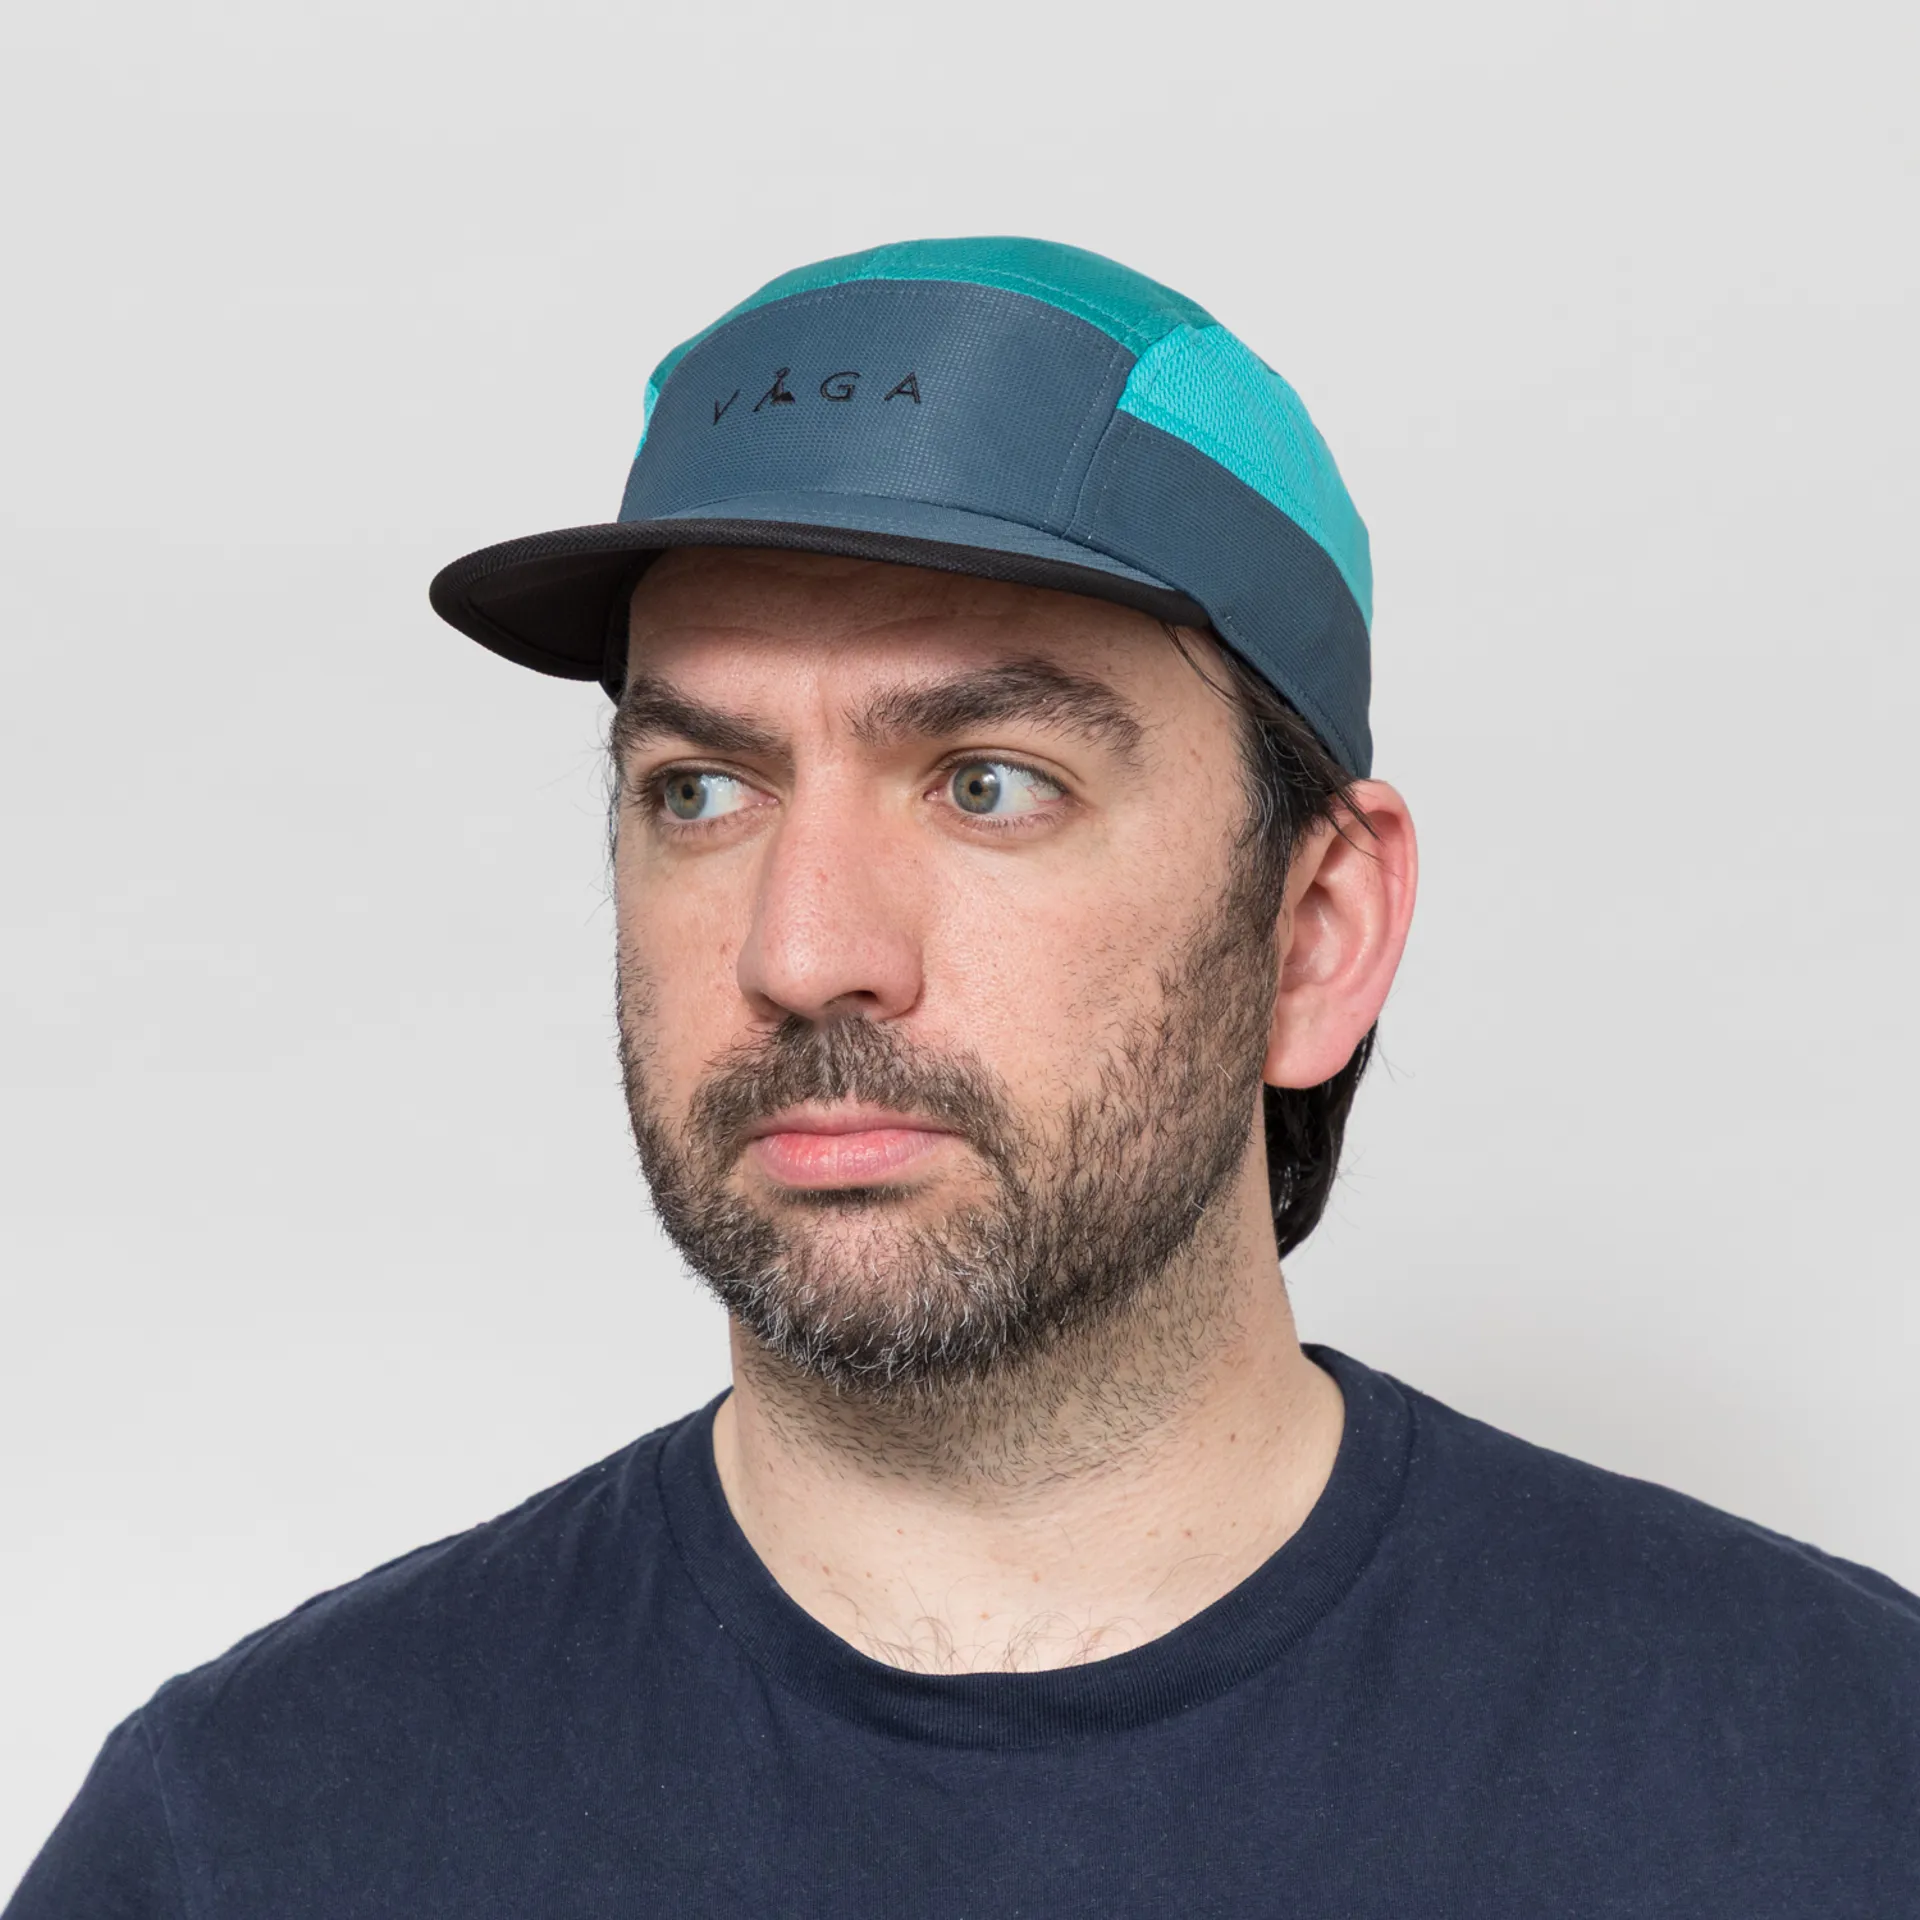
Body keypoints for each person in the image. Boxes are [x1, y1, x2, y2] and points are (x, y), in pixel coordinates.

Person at [11, 236, 1917, 1917]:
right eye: (703, 789)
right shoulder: (251, 1837)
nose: (802, 949)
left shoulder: (1842, 1783)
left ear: (1316, 932)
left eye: (989, 783)